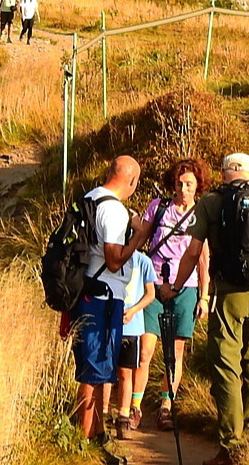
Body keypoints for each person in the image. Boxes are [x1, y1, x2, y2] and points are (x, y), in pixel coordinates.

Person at [171, 153, 249, 465]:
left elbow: (193, 253)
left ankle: (231, 446)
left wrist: (175, 287)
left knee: (227, 368)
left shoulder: (211, 202)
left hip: (229, 295)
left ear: (225, 173)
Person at [70, 156, 151, 443]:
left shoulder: (89, 199)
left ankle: (97, 433)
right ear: (132, 181)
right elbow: (114, 261)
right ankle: (87, 439)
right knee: (94, 371)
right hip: (103, 296)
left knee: (94, 369)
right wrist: (139, 237)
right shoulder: (115, 211)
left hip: (85, 292)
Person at [139, 158, 211, 432]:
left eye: (189, 184)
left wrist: (204, 297)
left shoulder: (200, 215)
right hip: (153, 287)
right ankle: (134, 407)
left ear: (198, 186)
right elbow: (141, 237)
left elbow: (204, 260)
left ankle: (166, 406)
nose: (183, 189)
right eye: (180, 183)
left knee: (175, 353)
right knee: (145, 351)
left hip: (186, 289)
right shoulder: (158, 209)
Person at [113, 248, 159, 437]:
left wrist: (133, 311)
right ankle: (105, 412)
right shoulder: (109, 256)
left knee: (126, 370)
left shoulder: (143, 261)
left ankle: (125, 414)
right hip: (110, 321)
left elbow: (151, 293)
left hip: (132, 326)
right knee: (108, 371)